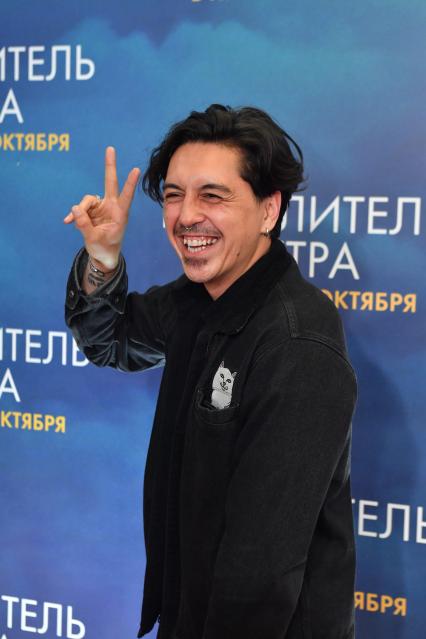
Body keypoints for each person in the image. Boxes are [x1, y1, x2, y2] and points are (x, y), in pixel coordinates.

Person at [64, 104, 358, 639]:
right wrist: (102, 258)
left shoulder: (298, 343)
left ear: (269, 210)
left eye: (213, 196)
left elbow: (259, 578)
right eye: (174, 195)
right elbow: (110, 341)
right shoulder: (196, 299)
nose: (186, 216)